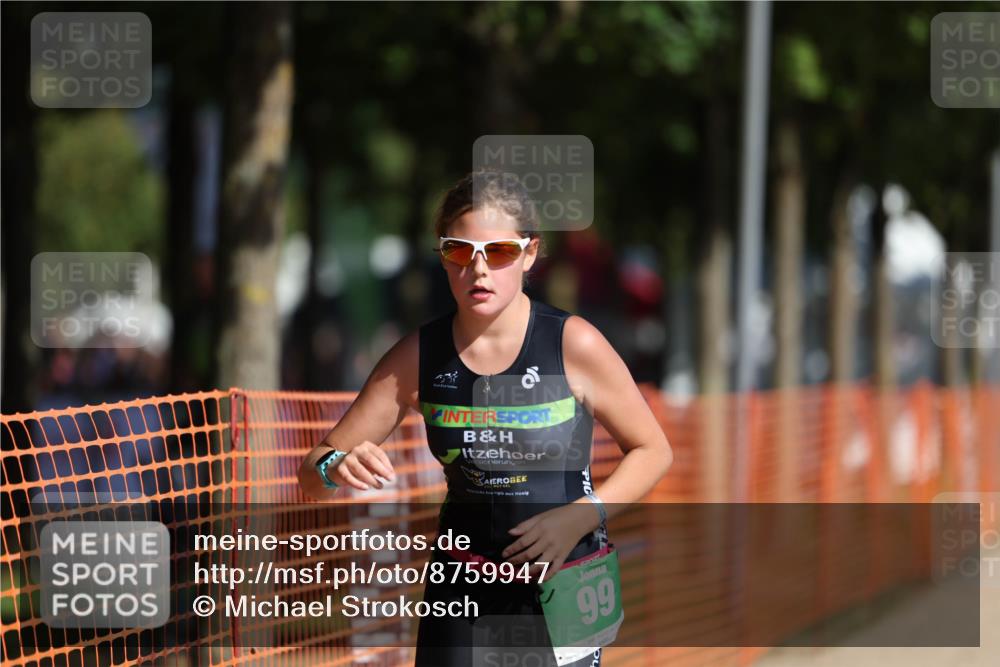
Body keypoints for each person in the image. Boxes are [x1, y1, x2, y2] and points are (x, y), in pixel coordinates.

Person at [299, 170, 673, 666]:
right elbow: (314, 474)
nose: (478, 270)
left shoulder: (573, 343)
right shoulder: (418, 356)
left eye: (498, 252)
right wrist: (335, 467)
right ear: (442, 256)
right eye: (459, 251)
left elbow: (654, 450)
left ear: (529, 254)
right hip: (461, 586)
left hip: (562, 581)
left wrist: (582, 515)